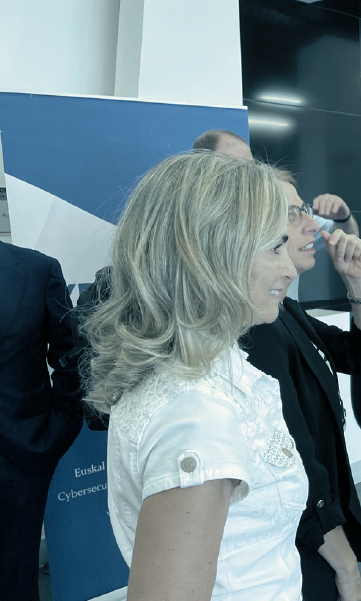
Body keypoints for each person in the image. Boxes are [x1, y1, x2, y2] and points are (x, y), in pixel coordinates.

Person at [83, 152, 305, 600]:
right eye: (275, 247)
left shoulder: (199, 378)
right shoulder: (198, 416)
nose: (290, 268)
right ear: (214, 254)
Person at [241, 169, 361, 601]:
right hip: (301, 540)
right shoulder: (256, 328)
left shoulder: (281, 308)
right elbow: (291, 463)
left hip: (312, 532)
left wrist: (356, 279)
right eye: (292, 215)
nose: (311, 224)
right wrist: (346, 566)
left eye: (305, 209)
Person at [0, 242, 83, 601]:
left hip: (18, 459)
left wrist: (58, 427)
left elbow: (71, 357)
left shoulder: (36, 269)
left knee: (14, 582)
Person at [194, 128, 360, 238]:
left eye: (251, 166)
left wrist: (343, 217)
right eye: (235, 168)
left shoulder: (278, 212)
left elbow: (343, 239)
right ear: (207, 173)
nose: (249, 176)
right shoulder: (194, 231)